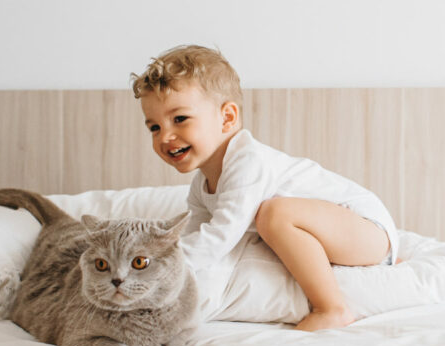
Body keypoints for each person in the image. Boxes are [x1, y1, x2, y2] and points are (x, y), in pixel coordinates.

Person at [131, 45, 399, 331]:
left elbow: (221, 235)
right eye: (154, 127)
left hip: (370, 231)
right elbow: (198, 235)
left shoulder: (248, 162)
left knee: (274, 214)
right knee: (270, 219)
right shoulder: (201, 184)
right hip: (345, 234)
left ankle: (332, 308)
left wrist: (158, 267)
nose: (165, 137)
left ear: (227, 118)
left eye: (180, 119)